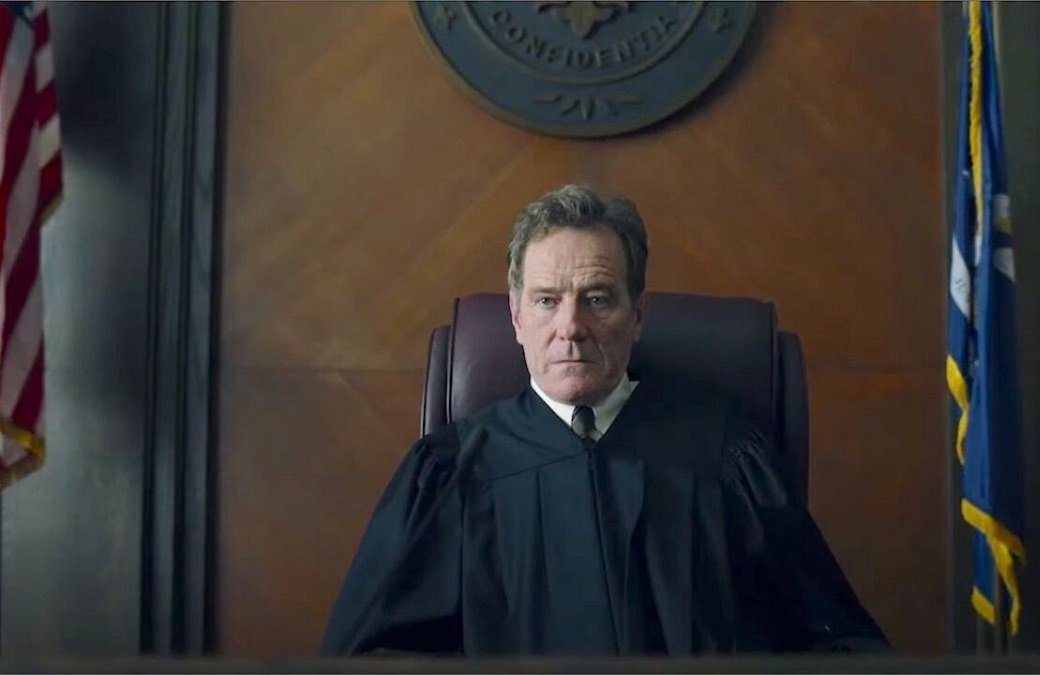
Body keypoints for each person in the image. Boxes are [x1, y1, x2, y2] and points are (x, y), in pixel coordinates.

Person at [321, 185, 889, 656]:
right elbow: (370, 656)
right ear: (516, 317)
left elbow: (837, 643)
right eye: (547, 300)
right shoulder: (451, 474)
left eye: (596, 299)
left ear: (638, 313)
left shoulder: (727, 455)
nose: (570, 327)